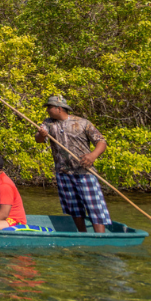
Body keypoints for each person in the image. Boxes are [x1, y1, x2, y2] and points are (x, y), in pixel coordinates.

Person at [35, 95, 111, 233]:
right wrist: (42, 135)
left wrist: (93, 155)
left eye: (49, 107)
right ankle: (82, 234)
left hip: (84, 171)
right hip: (63, 172)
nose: (47, 110)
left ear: (59, 109)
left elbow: (101, 142)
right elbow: (39, 139)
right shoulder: (48, 123)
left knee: (94, 206)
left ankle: (100, 238)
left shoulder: (82, 123)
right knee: (74, 207)